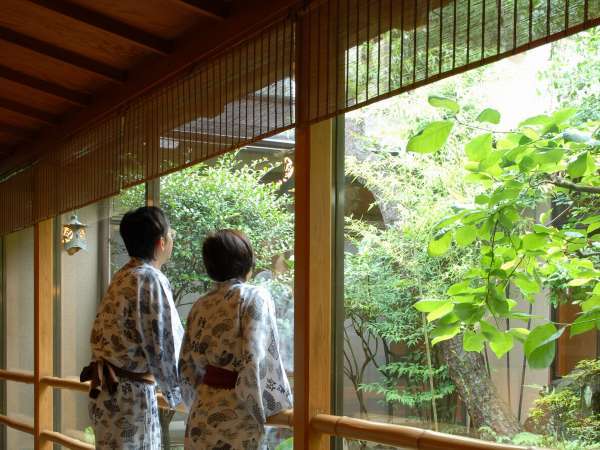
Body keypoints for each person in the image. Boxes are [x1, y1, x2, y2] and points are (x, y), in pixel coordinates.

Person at [178, 229, 292, 449]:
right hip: (238, 418)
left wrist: (197, 401)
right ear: (246, 261)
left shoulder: (201, 304)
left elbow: (186, 367)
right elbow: (257, 360)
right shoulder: (255, 297)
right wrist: (273, 407)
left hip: (201, 416)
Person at [83, 206, 183, 450]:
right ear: (161, 242)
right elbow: (165, 343)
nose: (172, 240)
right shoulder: (150, 277)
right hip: (130, 397)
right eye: (171, 235)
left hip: (107, 392)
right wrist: (181, 394)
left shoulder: (122, 275)